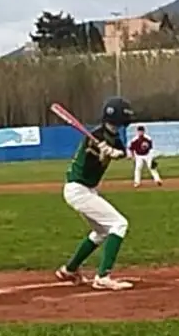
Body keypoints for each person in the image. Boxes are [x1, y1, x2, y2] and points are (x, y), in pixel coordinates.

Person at [54, 97, 136, 291]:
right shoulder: (94, 137)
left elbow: (121, 151)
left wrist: (114, 152)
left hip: (87, 190)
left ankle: (69, 269)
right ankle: (103, 276)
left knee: (101, 232)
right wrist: (101, 152)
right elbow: (90, 163)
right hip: (79, 190)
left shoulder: (112, 137)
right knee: (119, 224)